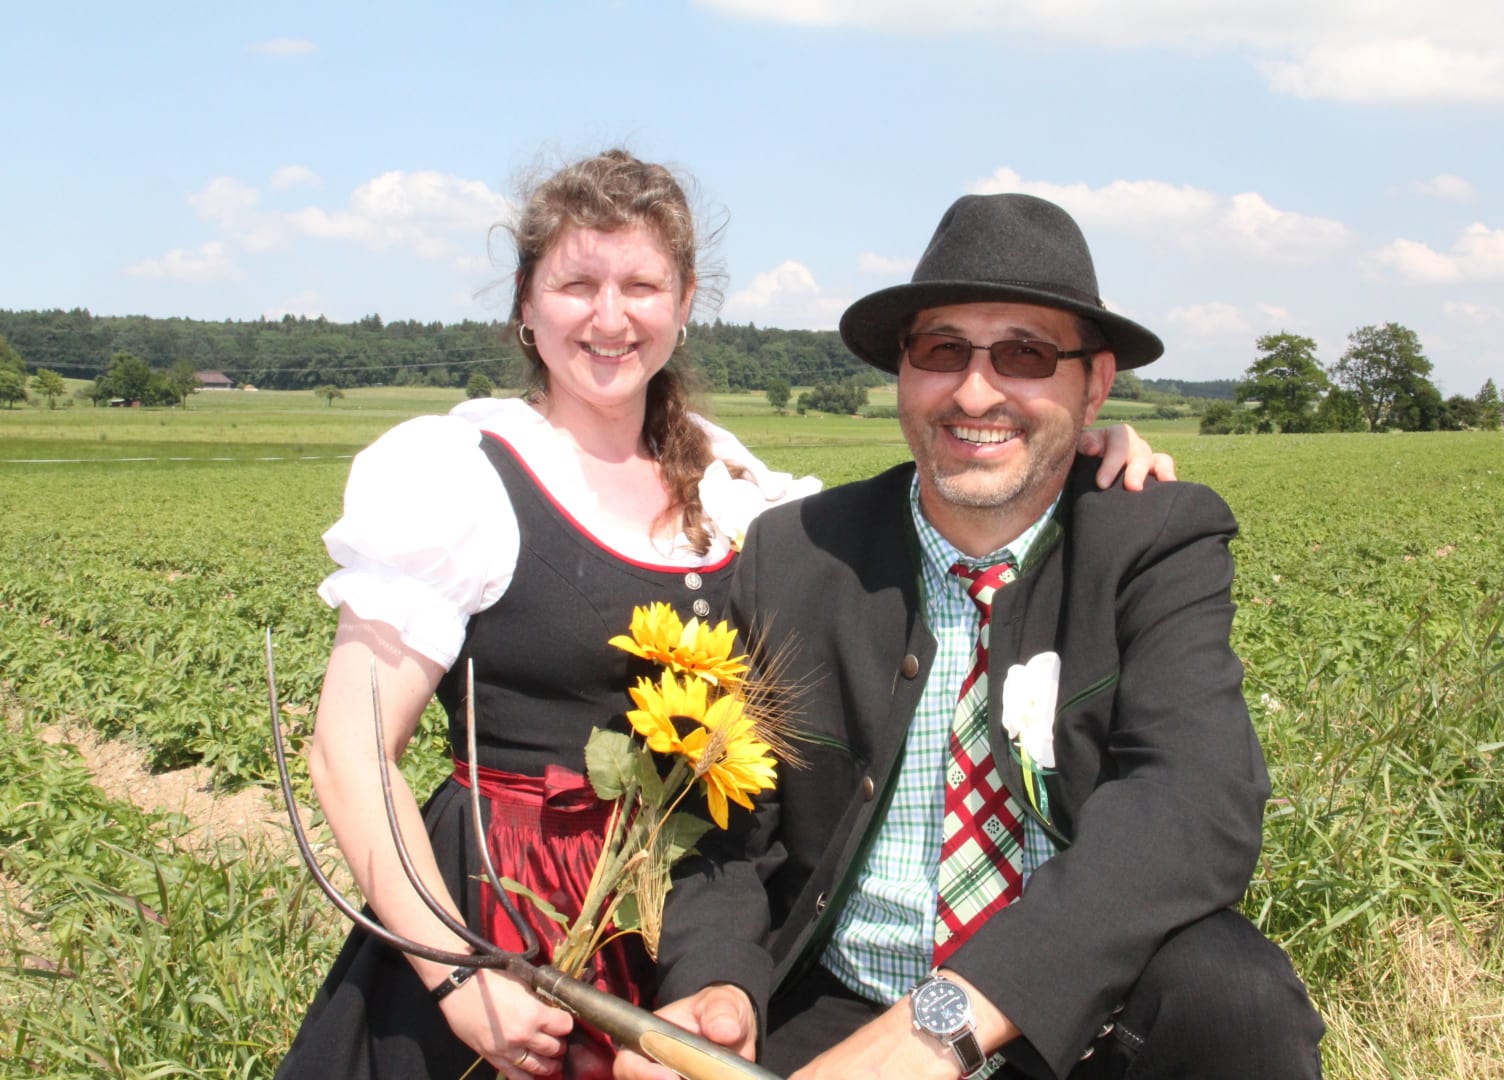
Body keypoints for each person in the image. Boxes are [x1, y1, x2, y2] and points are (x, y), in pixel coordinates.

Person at [275, 151, 1171, 1080]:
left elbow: (932, 503)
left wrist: (1069, 455)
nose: (610, 317)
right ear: (526, 304)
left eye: (641, 286)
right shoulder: (456, 474)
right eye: (577, 284)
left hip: (683, 923)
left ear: (685, 302)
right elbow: (349, 752)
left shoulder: (727, 478)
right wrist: (456, 970)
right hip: (499, 912)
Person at [616, 193, 1325, 1080]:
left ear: (1095, 384)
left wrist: (947, 1021)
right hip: (845, 1007)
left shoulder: (1151, 540)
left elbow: (1191, 802)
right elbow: (728, 835)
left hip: (1069, 1013)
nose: (975, 391)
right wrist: (714, 987)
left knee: (1235, 997)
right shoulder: (796, 555)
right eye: (942, 350)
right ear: (903, 370)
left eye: (1026, 354)